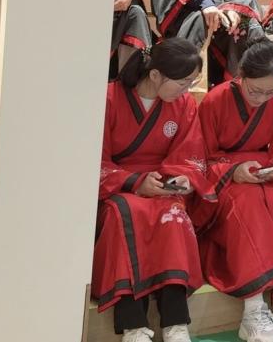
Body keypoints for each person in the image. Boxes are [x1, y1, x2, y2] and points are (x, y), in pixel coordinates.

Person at [194, 40, 273, 342]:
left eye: (270, 92)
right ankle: (253, 307)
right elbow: (200, 160)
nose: (262, 98)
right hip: (226, 179)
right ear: (241, 76)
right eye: (255, 91)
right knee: (247, 200)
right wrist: (232, 171)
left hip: (265, 170)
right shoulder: (214, 100)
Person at [93, 38, 211, 342]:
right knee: (125, 213)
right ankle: (133, 324)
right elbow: (93, 161)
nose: (187, 89)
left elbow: (190, 155)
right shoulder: (107, 98)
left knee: (174, 215)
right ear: (156, 74)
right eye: (183, 82)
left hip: (162, 185)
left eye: (192, 82)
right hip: (118, 187)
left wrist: (182, 178)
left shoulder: (184, 104)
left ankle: (176, 321)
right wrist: (134, 182)